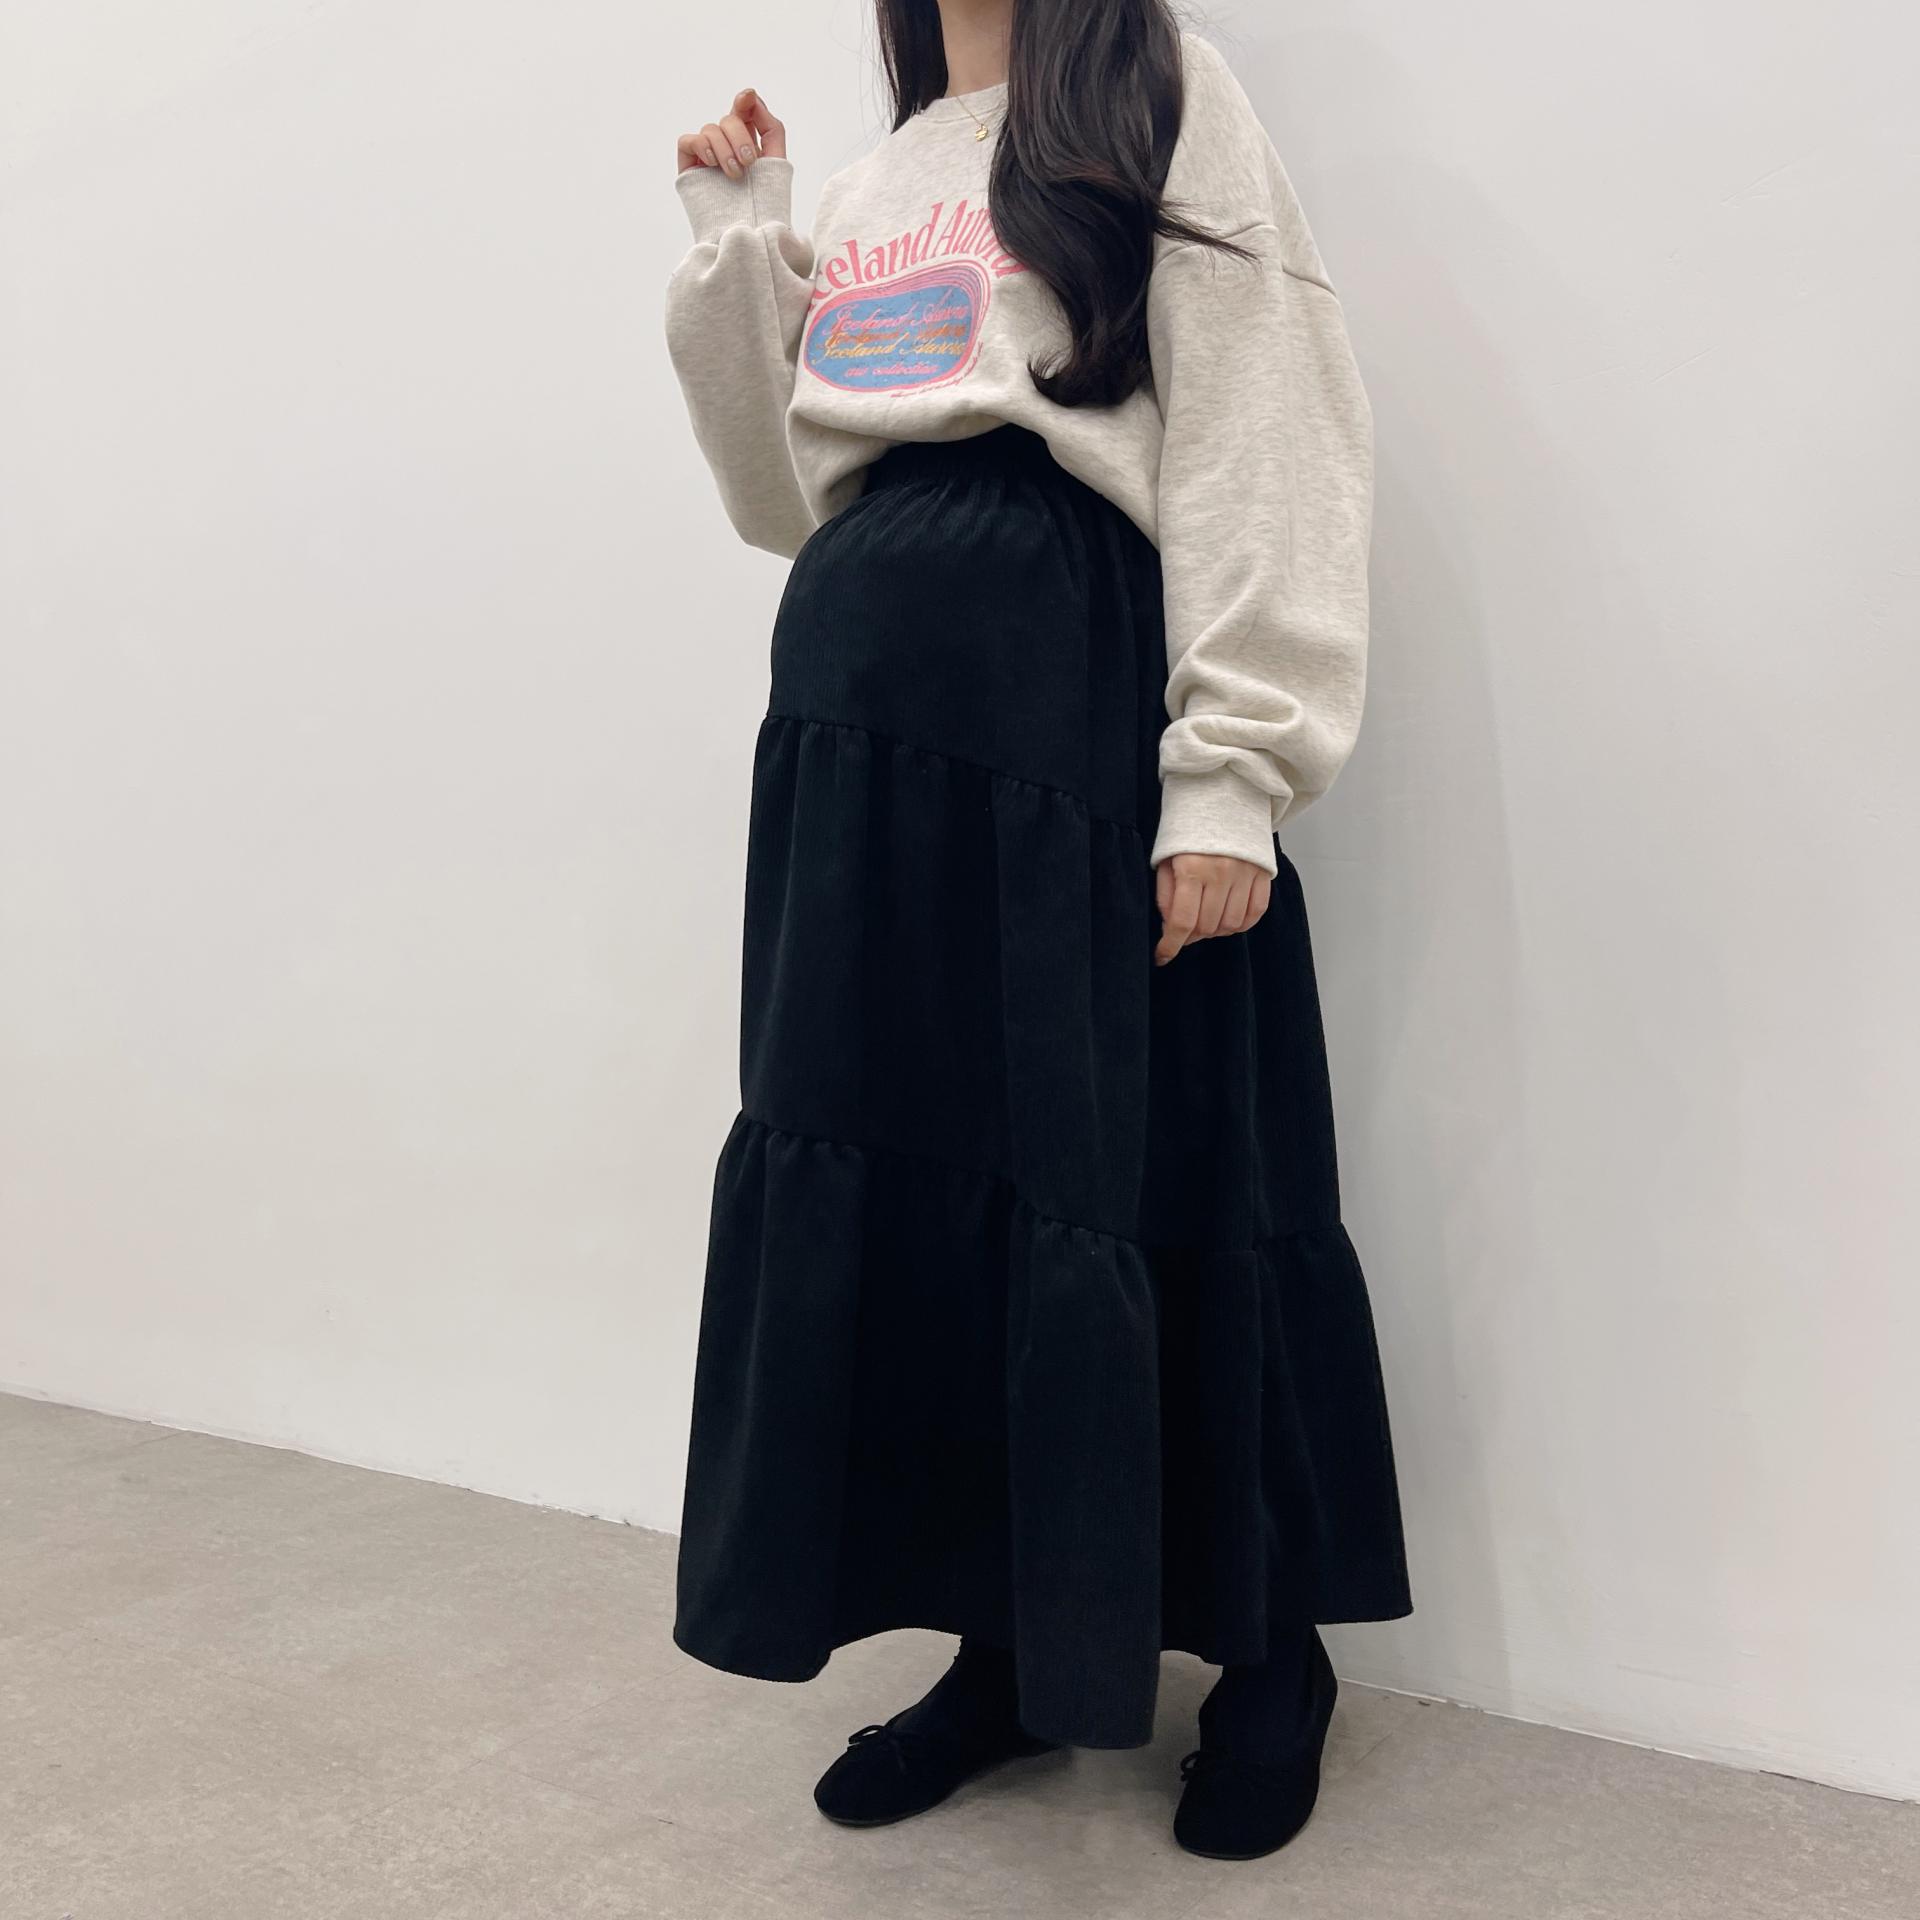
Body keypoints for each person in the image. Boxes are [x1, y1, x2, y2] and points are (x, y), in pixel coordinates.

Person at [663, 0, 1411, 1862]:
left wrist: (1232, 771)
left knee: (1150, 1162)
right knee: (940, 1182)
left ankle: (1272, 1655)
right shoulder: (879, 176)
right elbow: (785, 494)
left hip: (1068, 703)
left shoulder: (1158, 95)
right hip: (864, 732)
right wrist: (744, 240)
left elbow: (1263, 413)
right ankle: (1007, 1641)